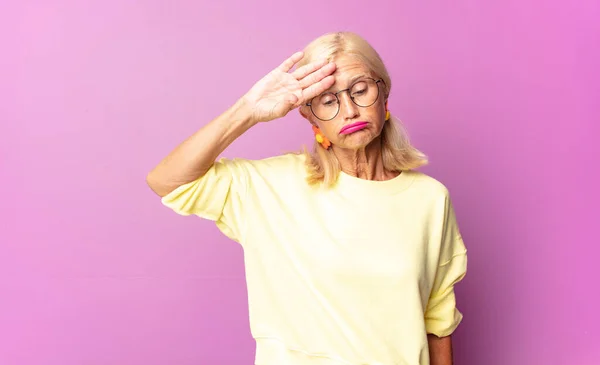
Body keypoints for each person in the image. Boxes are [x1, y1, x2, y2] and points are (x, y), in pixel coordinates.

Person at [147, 31, 468, 365]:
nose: (349, 111)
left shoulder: (429, 199)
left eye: (360, 91)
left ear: (383, 94)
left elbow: (437, 321)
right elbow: (167, 181)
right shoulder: (270, 188)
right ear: (309, 115)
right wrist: (247, 111)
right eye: (328, 101)